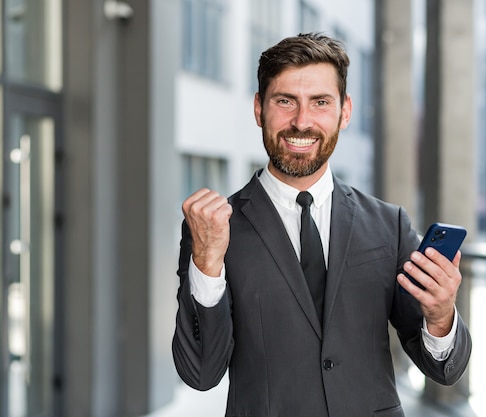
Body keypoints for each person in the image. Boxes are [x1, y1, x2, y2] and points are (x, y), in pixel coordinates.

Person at [172, 32, 471, 417]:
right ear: (259, 109)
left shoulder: (389, 225)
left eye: (320, 102)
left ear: (344, 111)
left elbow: (443, 369)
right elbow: (200, 373)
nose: (302, 122)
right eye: (285, 101)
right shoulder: (213, 231)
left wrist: (441, 314)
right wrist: (208, 266)